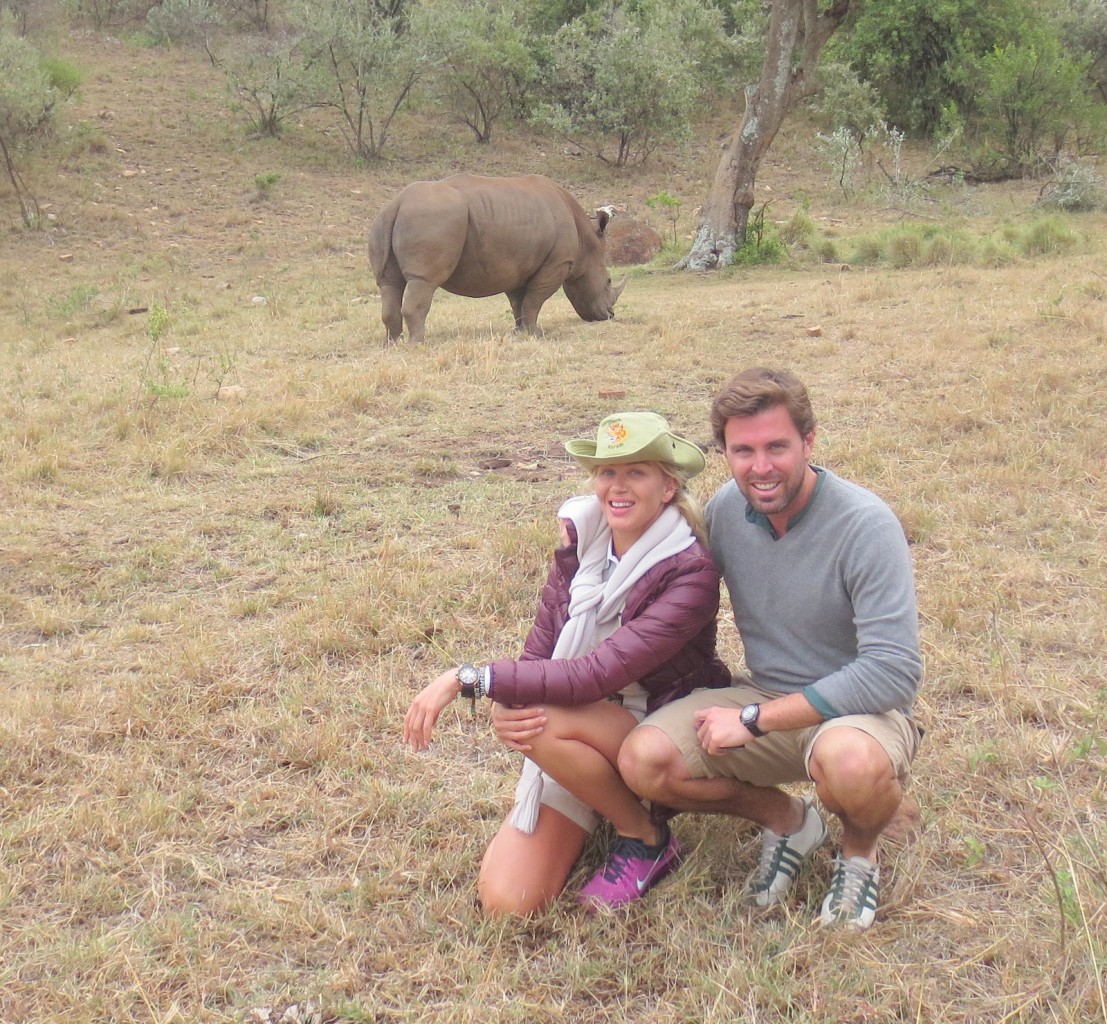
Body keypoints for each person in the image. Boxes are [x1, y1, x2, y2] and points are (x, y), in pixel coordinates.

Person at [618, 367, 923, 930]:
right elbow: (657, 569)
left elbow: (893, 671)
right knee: (644, 760)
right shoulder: (724, 512)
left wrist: (755, 720)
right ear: (724, 452)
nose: (761, 467)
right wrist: (583, 538)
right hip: (764, 693)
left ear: (809, 442)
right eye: (744, 450)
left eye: (777, 447)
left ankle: (859, 855)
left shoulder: (865, 524)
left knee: (851, 766)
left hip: (858, 712)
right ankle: (788, 821)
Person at [403, 412, 731, 915]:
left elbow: (596, 675)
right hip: (583, 718)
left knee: (544, 718)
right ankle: (599, 794)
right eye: (607, 472)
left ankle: (644, 835)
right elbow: (541, 652)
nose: (617, 487)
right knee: (509, 902)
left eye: (636, 472)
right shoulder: (583, 548)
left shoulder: (691, 570)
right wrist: (510, 700)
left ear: (668, 487)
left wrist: (473, 679)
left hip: (658, 726)